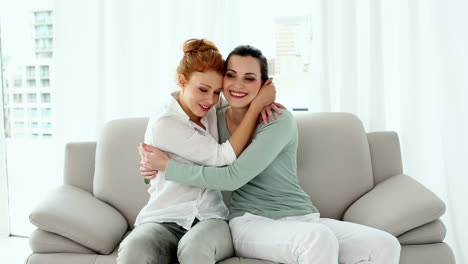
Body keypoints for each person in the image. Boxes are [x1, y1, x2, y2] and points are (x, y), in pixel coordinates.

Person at [139, 45, 402, 264]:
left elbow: (229, 174)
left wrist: (166, 165)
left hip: (301, 217)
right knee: (316, 239)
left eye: (250, 78)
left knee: (384, 245)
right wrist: (151, 169)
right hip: (251, 221)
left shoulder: (277, 120)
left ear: (265, 85)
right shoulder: (212, 118)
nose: (238, 85)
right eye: (231, 76)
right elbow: (188, 141)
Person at [117, 39, 278, 264]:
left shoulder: (210, 108)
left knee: (194, 247)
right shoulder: (165, 122)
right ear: (182, 81)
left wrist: (263, 101)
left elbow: (240, 97)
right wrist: (256, 107)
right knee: (135, 249)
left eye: (216, 92)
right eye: (202, 90)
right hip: (164, 218)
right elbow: (222, 157)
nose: (210, 100)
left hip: (211, 219)